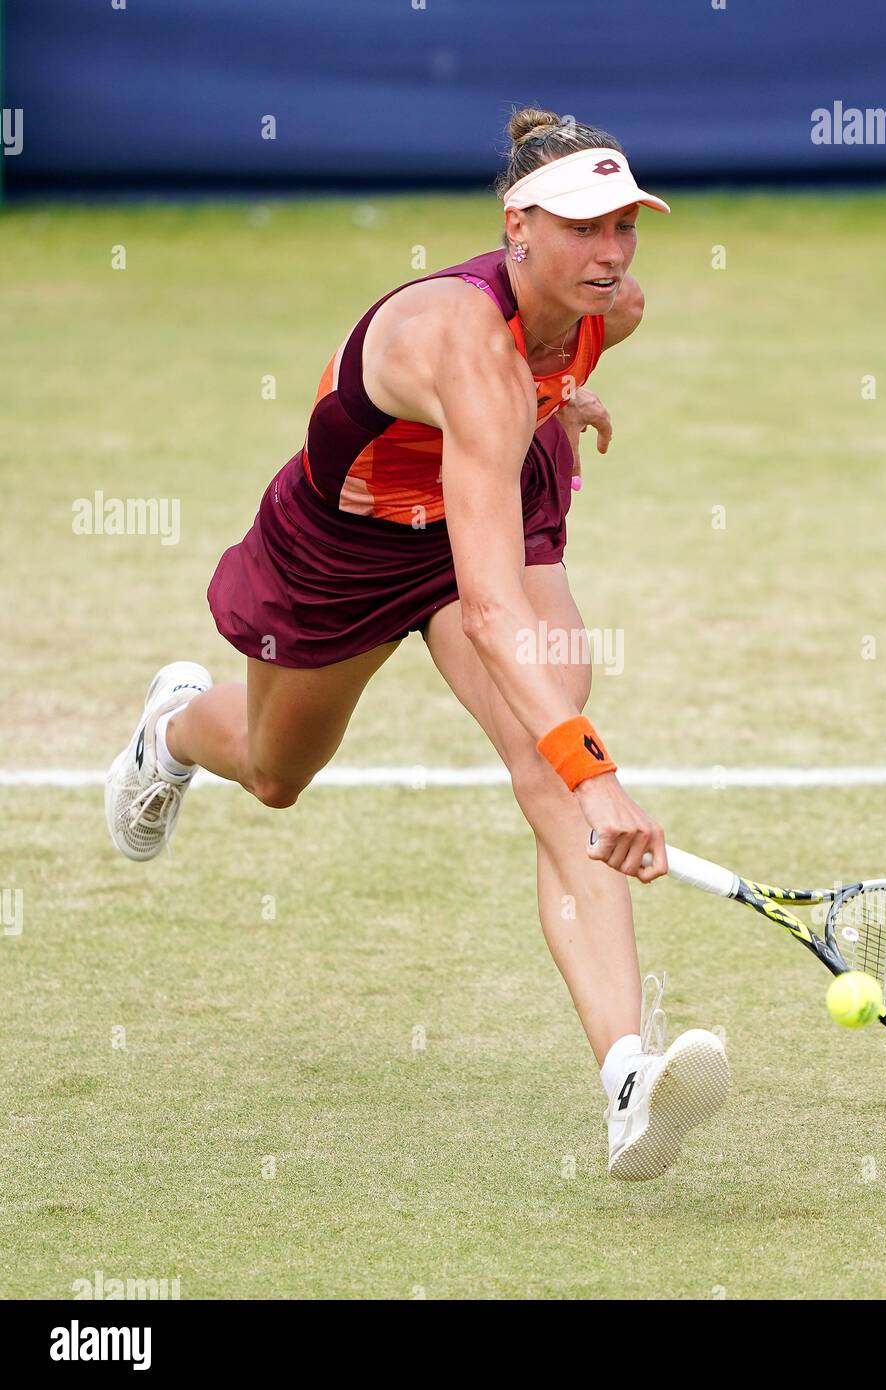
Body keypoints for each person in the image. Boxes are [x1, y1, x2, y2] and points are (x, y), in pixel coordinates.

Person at [104, 107, 729, 1180]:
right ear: (516, 226)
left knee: (547, 768)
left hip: (485, 510)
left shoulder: (612, 306)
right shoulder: (458, 343)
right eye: (583, 226)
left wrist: (561, 405)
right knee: (274, 771)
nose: (612, 250)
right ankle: (171, 728)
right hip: (346, 545)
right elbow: (492, 611)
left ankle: (627, 1078)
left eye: (625, 223)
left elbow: (499, 543)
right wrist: (603, 780)